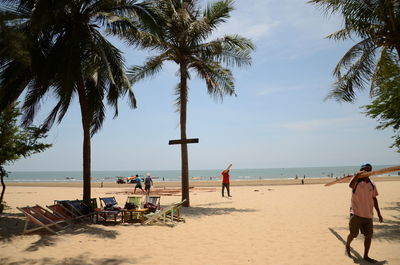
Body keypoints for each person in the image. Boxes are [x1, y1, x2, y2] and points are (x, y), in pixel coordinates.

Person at [345, 163, 383, 263]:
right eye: (364, 170)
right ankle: (347, 245)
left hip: (368, 215)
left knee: (368, 236)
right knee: (353, 234)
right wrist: (357, 175)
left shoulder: (372, 184)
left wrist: (379, 213)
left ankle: (366, 255)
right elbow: (350, 185)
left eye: (368, 170)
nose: (366, 172)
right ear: (361, 170)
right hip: (356, 213)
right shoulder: (355, 181)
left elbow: (374, 199)